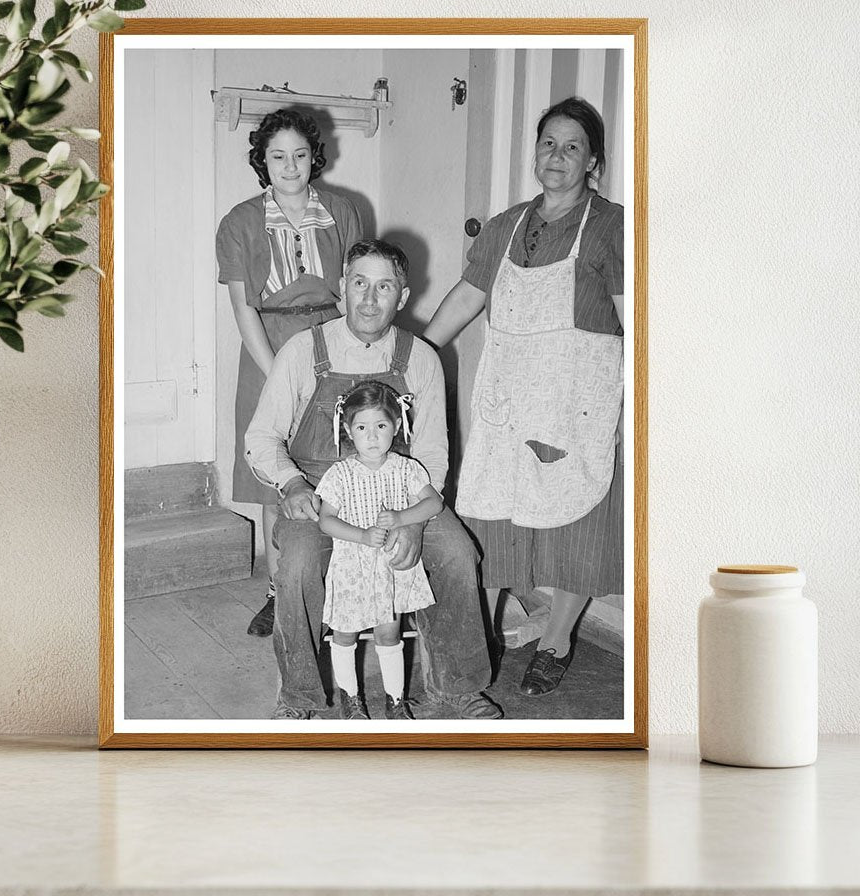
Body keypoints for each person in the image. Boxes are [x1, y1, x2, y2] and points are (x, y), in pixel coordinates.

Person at [245, 239, 501, 720]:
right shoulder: (304, 350)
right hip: (322, 496)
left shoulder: (420, 356)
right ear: (343, 289)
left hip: (402, 493)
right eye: (359, 283)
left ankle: (457, 686)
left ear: (402, 297)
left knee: (457, 554)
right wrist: (291, 483)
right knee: (297, 564)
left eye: (384, 287)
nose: (368, 298)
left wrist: (414, 522)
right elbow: (262, 437)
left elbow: (431, 455)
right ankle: (299, 696)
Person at [426, 96, 624, 698]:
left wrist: (642, 402)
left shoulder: (613, 225)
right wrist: (416, 354)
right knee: (491, 516)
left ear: (593, 160)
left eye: (572, 147)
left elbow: (635, 320)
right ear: (534, 151)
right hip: (509, 399)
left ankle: (558, 639)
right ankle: (479, 637)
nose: (557, 156)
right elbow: (467, 296)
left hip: (577, 401)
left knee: (577, 526)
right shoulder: (506, 224)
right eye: (548, 144)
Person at [215, 109, 361, 638]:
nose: (290, 165)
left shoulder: (343, 211)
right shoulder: (239, 221)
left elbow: (353, 291)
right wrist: (283, 375)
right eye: (278, 155)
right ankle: (280, 596)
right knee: (278, 474)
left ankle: (334, 588)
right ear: (263, 161)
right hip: (268, 349)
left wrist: (345, 361)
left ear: (314, 157)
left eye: (300, 154)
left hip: (332, 344)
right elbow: (242, 309)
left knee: (338, 468)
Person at [316, 380, 441, 721]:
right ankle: (352, 700)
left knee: (389, 632)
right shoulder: (340, 474)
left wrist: (403, 516)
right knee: (345, 633)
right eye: (362, 427)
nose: (371, 437)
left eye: (381, 426)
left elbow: (434, 503)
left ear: (397, 426)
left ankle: (395, 701)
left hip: (390, 567)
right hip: (352, 567)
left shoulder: (406, 469)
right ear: (348, 429)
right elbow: (326, 520)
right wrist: (360, 535)